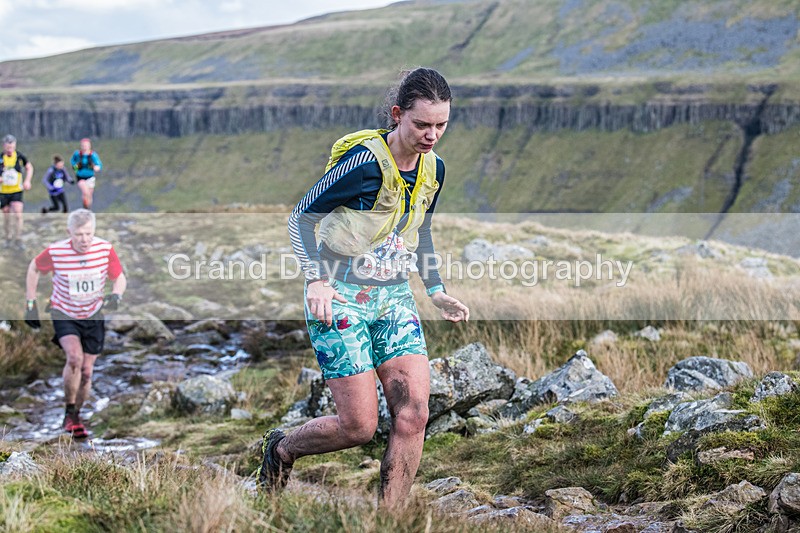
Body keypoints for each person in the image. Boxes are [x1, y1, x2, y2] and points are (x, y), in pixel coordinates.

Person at [260, 67, 469, 509]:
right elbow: (301, 216)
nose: (432, 135)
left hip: (393, 298)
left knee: (413, 415)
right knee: (358, 426)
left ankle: (388, 520)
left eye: (441, 125)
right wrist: (315, 278)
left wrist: (435, 289)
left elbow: (421, 230)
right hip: (339, 295)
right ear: (398, 115)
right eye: (422, 124)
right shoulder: (364, 164)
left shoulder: (435, 168)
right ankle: (282, 448)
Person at [24, 209, 126, 439]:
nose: (85, 240)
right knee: (74, 358)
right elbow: (34, 267)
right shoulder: (56, 251)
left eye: (89, 233)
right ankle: (69, 409)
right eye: (79, 234)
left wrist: (116, 295)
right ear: (69, 232)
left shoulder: (104, 249)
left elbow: (119, 277)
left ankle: (76, 415)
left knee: (87, 372)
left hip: (93, 314)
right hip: (64, 312)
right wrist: (31, 303)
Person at [1, 134, 34, 249]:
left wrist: (27, 181)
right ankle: (8, 238)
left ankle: (18, 238)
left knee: (18, 215)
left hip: (16, 190)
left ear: (14, 146)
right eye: (7, 147)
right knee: (6, 216)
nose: (10, 150)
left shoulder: (20, 157)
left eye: (12, 147)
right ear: (4, 146)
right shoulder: (1, 158)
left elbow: (29, 168)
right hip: (3, 192)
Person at [70, 138, 102, 210]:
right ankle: (85, 208)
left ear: (89, 146)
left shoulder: (93, 155)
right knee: (85, 192)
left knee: (89, 195)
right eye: (83, 145)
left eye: (86, 145)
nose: (84, 147)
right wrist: (76, 167)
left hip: (90, 177)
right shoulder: (77, 154)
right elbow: (72, 162)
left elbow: (99, 164)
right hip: (80, 177)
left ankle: (88, 209)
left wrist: (97, 167)